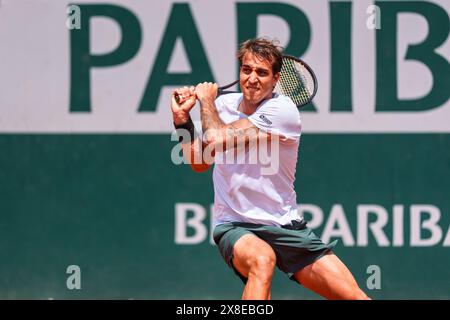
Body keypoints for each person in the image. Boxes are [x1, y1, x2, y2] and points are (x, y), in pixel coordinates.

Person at [171, 38, 369, 300]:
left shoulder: (282, 110)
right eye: (246, 70)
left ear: (276, 79)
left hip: (284, 224)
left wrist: (206, 101)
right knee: (262, 260)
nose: (252, 78)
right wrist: (182, 120)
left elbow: (218, 138)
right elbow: (199, 162)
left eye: (262, 72)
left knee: (356, 298)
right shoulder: (223, 107)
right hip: (234, 223)